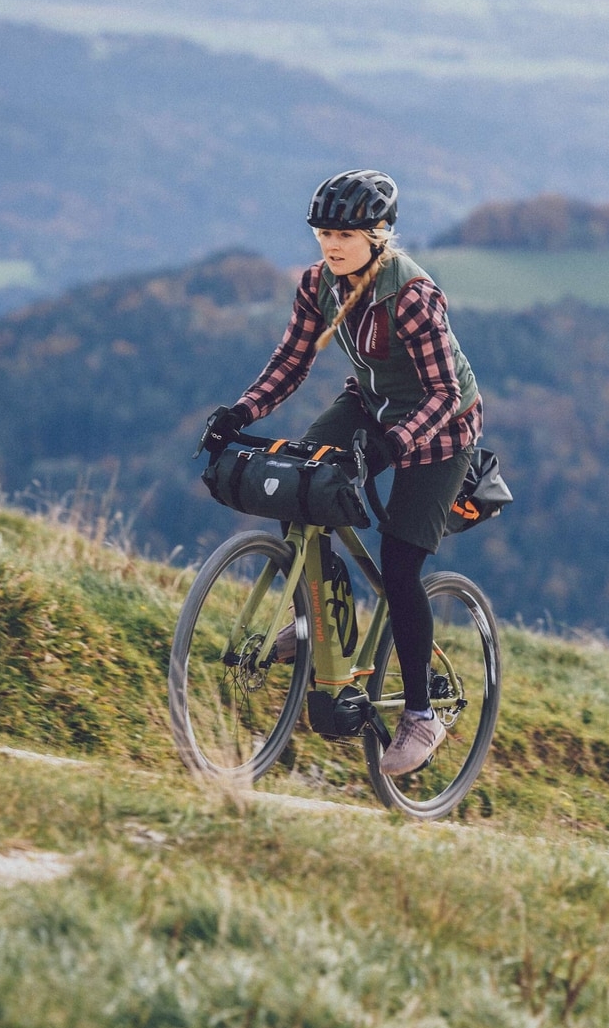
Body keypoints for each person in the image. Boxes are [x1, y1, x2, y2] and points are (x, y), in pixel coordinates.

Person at [202, 169, 481, 775]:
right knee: (299, 482)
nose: (331, 244)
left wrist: (392, 445)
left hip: (440, 427)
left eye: (345, 234)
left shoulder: (412, 298)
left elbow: (444, 392)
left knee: (401, 564)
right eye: (324, 232)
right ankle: (319, 623)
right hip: (373, 406)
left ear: (379, 236)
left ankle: (420, 716)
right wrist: (240, 411)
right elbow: (293, 360)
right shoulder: (318, 284)